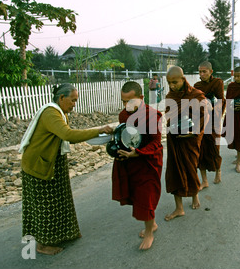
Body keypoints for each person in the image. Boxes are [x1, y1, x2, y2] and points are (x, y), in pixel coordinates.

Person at [19, 83, 109, 255]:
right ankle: (42, 244)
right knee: (44, 205)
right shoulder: (50, 113)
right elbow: (68, 135)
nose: (74, 104)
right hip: (39, 164)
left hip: (52, 161)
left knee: (60, 199)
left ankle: (64, 233)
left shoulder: (60, 113)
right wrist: (98, 131)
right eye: (73, 100)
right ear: (61, 98)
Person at [107, 81, 163, 250]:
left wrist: (139, 153)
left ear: (141, 98)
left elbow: (156, 143)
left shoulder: (153, 115)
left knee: (146, 196)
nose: (126, 105)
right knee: (137, 196)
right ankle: (151, 224)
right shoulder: (123, 116)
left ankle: (149, 233)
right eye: (123, 101)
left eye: (130, 101)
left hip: (147, 160)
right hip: (131, 160)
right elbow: (125, 137)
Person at [164, 66, 207, 221]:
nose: (172, 86)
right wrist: (173, 126)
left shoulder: (196, 95)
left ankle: (195, 195)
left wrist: (193, 131)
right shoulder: (170, 95)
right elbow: (169, 115)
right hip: (175, 139)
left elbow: (204, 116)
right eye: (169, 83)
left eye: (175, 82)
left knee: (190, 167)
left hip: (190, 139)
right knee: (174, 171)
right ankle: (179, 208)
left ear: (183, 79)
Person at [194, 61, 226, 188]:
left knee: (214, 148)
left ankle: (218, 171)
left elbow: (221, 100)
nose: (202, 74)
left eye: (204, 72)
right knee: (200, 151)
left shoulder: (218, 83)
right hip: (201, 121)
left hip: (214, 121)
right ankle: (204, 181)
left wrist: (213, 108)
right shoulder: (197, 85)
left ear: (211, 71)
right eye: (200, 72)